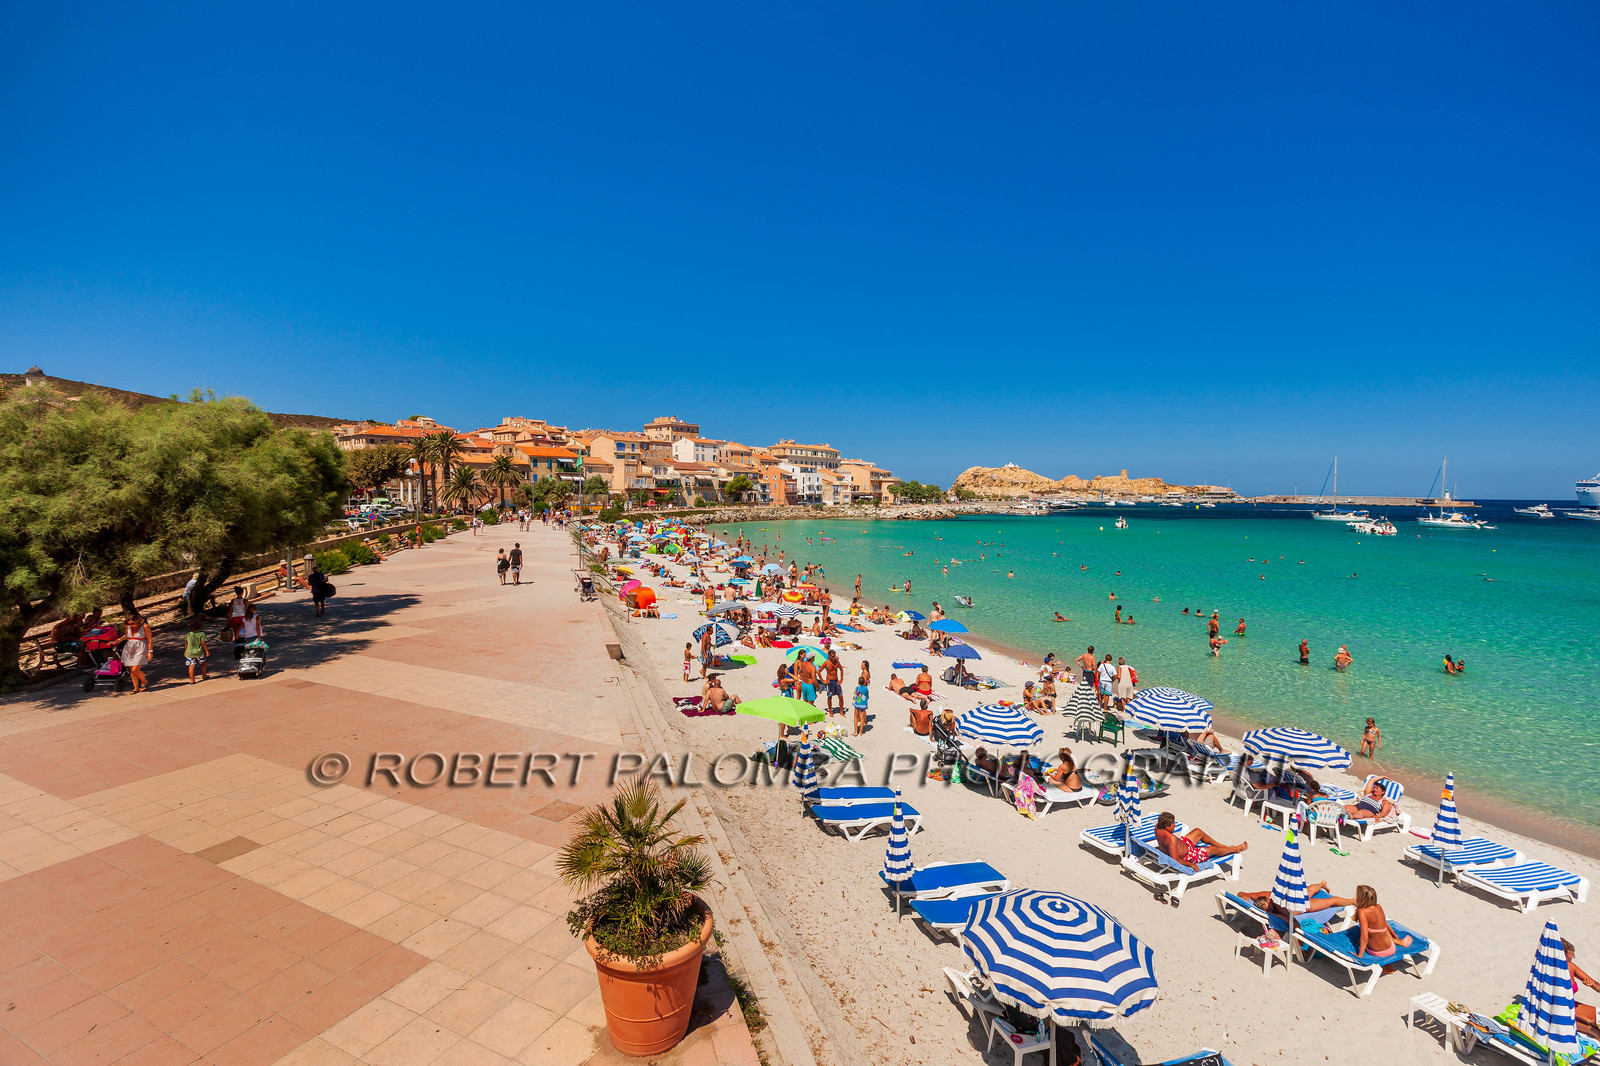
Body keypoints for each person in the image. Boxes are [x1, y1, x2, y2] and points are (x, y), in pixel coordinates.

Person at [1154, 811, 1248, 866]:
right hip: (1188, 856)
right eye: (1173, 825)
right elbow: (1175, 859)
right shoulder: (1171, 838)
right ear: (1167, 827)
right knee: (1212, 849)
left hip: (1182, 845)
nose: (1175, 826)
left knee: (1197, 831)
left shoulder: (1157, 827)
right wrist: (1191, 865)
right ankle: (1235, 849)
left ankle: (1223, 846)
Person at [1238, 881, 1358, 921]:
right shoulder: (1273, 911)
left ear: (1268, 899)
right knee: (1329, 902)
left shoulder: (1266, 895)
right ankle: (1352, 901)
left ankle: (1322, 884)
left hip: (1295, 897)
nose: (1268, 908)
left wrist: (1244, 896)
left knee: (1310, 890)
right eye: (1266, 909)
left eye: (1267, 905)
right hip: (1302, 906)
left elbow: (1240, 893)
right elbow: (1289, 917)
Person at [1354, 885, 1412, 959]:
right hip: (1391, 947)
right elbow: (1384, 923)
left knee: (1358, 940)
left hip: (1378, 952)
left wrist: (1360, 955)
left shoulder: (1362, 912)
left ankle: (1385, 964)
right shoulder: (1378, 907)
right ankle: (1397, 941)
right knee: (1380, 928)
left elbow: (1364, 937)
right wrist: (1395, 936)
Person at [1563, 940, 1600, 1038]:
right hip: (1558, 1010)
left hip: (1572, 1006)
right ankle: (1593, 1031)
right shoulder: (1550, 972)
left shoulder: (1570, 966)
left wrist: (1592, 984)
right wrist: (1588, 1021)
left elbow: (1596, 984)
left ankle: (1593, 1028)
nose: (1572, 958)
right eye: (1571, 955)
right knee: (1595, 1031)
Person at [120, 611, 152, 693]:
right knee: (131, 669)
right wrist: (117, 641)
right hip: (129, 648)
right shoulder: (128, 627)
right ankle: (135, 688)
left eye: (133, 623)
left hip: (141, 648)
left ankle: (144, 682)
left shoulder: (144, 627)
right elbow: (126, 635)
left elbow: (150, 639)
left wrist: (150, 651)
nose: (131, 625)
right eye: (129, 623)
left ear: (138, 621)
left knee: (135, 669)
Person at [183, 617, 209, 683]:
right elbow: (203, 643)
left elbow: (186, 643)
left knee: (191, 666)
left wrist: (185, 650)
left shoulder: (188, 634)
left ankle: (192, 680)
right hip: (199, 651)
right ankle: (204, 675)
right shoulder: (201, 634)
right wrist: (207, 651)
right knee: (203, 663)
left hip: (190, 652)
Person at [824, 651, 845, 718]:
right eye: (832, 656)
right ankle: (830, 711)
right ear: (829, 656)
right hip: (830, 681)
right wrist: (823, 680)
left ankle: (841, 711)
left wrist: (841, 679)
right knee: (830, 697)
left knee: (840, 696)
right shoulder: (826, 663)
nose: (834, 657)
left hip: (836, 681)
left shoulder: (836, 662)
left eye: (834, 656)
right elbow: (818, 672)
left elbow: (841, 669)